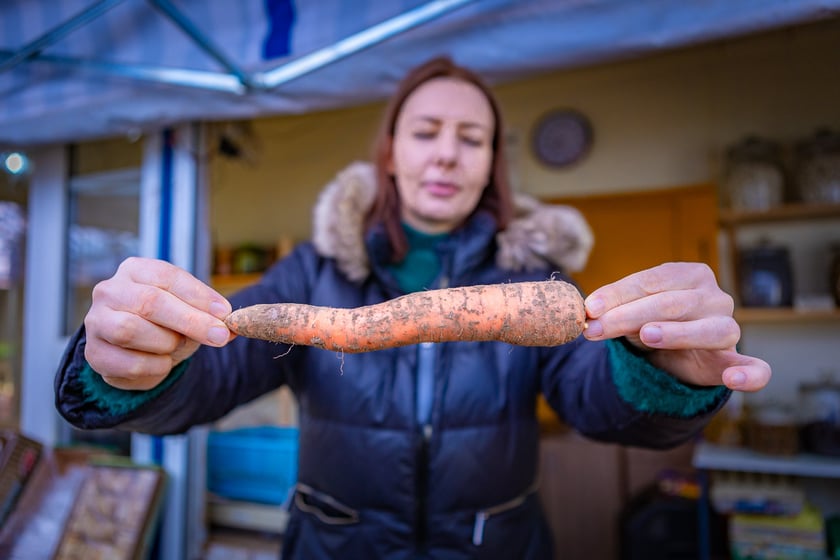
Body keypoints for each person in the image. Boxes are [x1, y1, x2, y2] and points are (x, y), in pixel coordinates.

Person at [55, 56, 771, 559]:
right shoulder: (309, 270)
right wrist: (128, 369)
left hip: (497, 548)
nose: (447, 155)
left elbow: (593, 398)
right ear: (390, 152)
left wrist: (661, 370)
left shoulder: (539, 282)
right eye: (426, 132)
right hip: (336, 549)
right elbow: (213, 372)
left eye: (472, 139)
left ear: (493, 162)